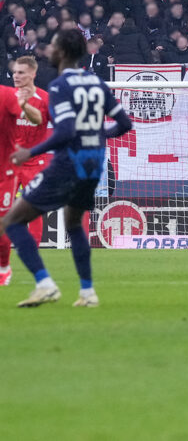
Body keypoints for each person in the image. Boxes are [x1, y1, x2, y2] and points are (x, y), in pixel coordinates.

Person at [1, 30, 132, 308]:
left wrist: (31, 152)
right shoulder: (96, 82)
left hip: (67, 162)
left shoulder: (60, 86)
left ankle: (45, 284)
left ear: (62, 52)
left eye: (54, 45)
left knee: (11, 221)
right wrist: (97, 135)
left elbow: (65, 131)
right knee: (73, 224)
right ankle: (87, 293)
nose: (49, 50)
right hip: (94, 163)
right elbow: (124, 124)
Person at [0, 57, 46, 286]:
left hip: (34, 162)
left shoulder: (44, 99)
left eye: (22, 73)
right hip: (9, 162)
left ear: (33, 74)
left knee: (33, 210)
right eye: (15, 73)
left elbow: (51, 126)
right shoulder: (7, 96)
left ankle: (32, 253)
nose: (17, 76)